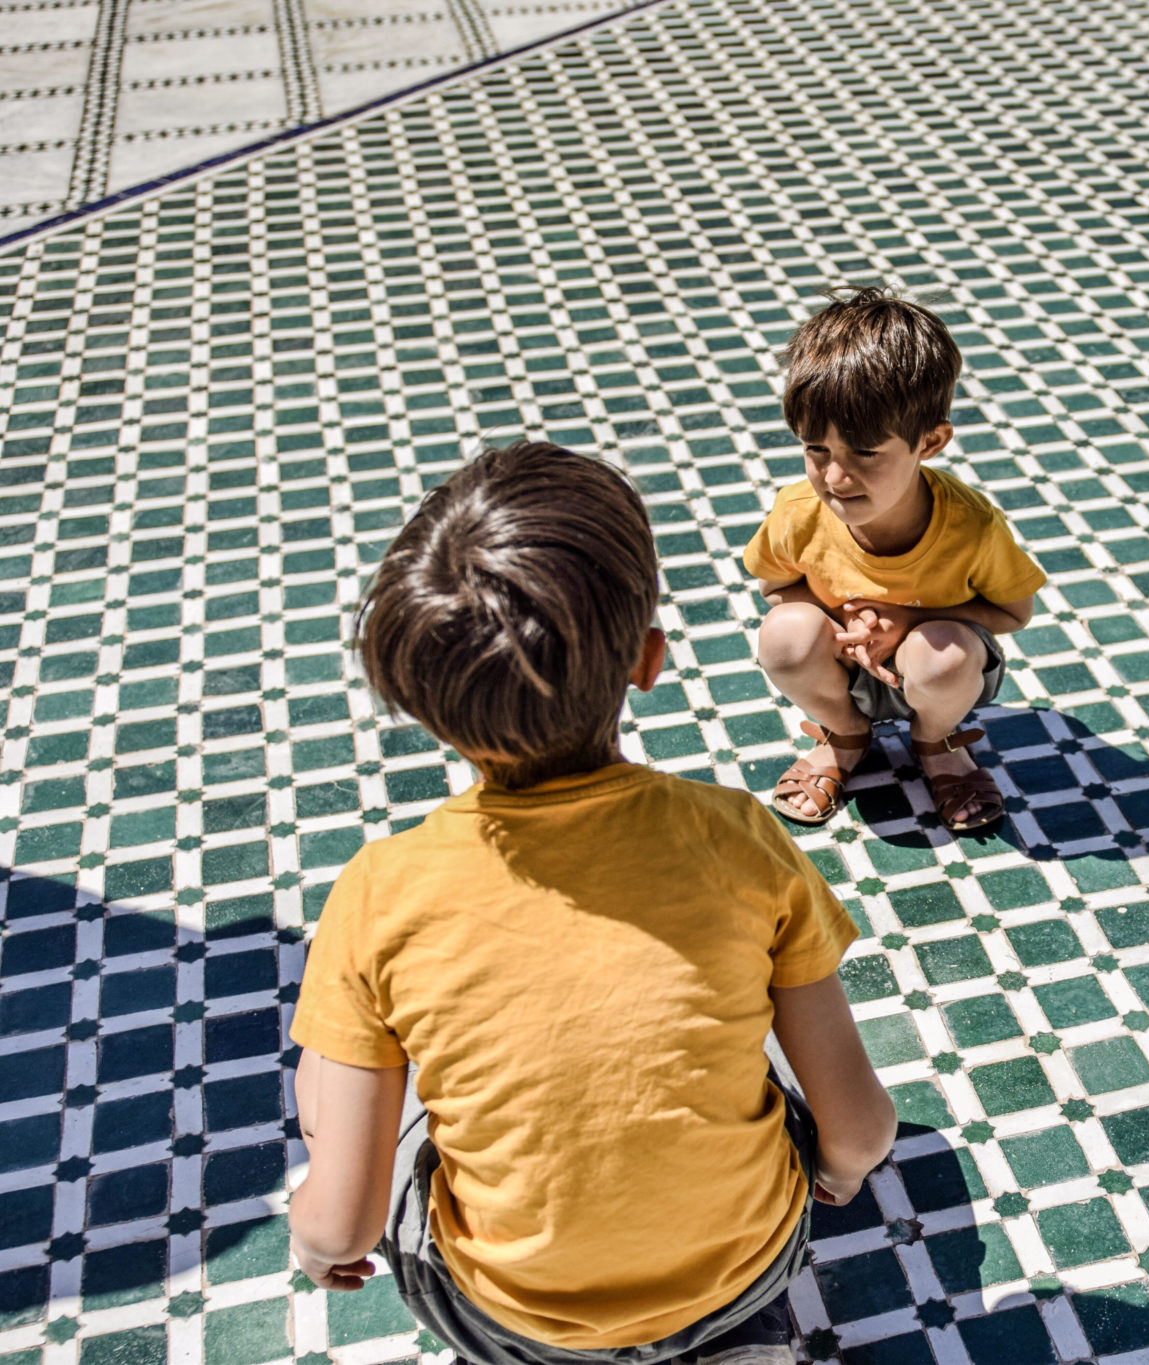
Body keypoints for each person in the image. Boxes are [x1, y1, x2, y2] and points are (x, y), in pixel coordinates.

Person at [286, 441, 897, 1365]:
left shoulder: (380, 892)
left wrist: (317, 1245)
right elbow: (859, 1131)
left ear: (419, 699)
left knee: (336, 1075)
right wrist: (840, 1176)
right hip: (743, 1276)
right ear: (648, 659)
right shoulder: (735, 835)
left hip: (513, 1317)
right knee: (748, 1017)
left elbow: (341, 1227)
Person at [744, 287, 1046, 833]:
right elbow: (774, 588)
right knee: (783, 634)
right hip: (844, 668)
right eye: (817, 449)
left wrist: (910, 622)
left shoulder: (970, 525)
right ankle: (845, 732)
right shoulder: (797, 514)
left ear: (930, 442)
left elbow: (1014, 613)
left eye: (865, 452)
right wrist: (842, 625)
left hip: (941, 676)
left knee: (944, 655)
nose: (835, 477)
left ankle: (936, 741)